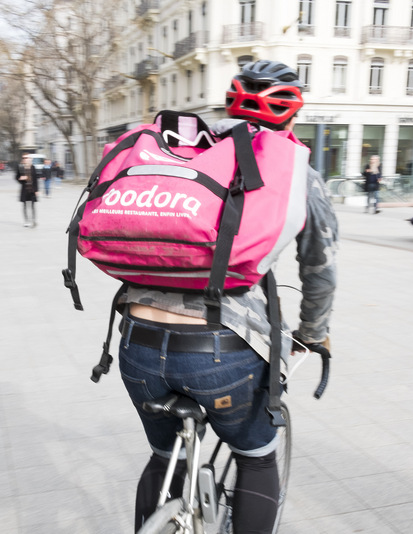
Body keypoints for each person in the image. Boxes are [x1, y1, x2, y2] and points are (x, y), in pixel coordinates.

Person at [118, 60, 338, 534]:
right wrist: (314, 335)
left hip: (136, 339)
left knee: (162, 458)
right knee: (257, 458)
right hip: (221, 350)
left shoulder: (178, 152)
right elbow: (319, 270)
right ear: (292, 115)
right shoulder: (294, 170)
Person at [15, 154, 39, 227]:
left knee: (32, 206)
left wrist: (37, 190)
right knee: (25, 206)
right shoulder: (20, 167)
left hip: (32, 190)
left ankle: (33, 220)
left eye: (27, 158)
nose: (25, 159)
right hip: (24, 190)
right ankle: (26, 221)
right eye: (24, 158)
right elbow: (16, 177)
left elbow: (35, 179)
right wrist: (20, 179)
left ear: (30, 159)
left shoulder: (33, 167)